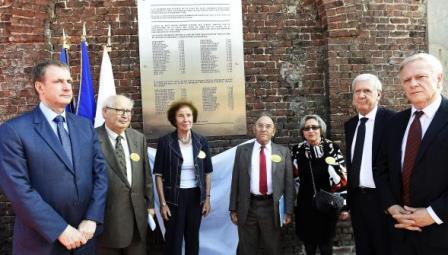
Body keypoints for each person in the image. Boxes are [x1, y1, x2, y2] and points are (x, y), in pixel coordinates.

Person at [0, 60, 108, 255]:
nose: (67, 87)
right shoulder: (13, 131)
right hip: (41, 242)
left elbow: (100, 173)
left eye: (69, 80)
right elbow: (18, 189)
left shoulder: (84, 126)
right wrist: (60, 229)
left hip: (85, 237)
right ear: (39, 87)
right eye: (58, 81)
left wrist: (92, 218)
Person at [375, 53, 448, 254]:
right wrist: (391, 206)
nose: (413, 83)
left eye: (421, 77)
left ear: (439, 78)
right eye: (407, 80)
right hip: (400, 233)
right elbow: (380, 169)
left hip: (442, 233)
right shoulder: (394, 123)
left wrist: (433, 214)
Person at [95, 95, 155, 255]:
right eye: (120, 110)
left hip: (137, 220)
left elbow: (146, 177)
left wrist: (149, 205)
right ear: (105, 112)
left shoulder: (138, 138)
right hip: (107, 222)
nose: (125, 115)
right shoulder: (91, 139)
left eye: (128, 111)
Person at [153, 100, 213, 255]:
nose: (186, 119)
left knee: (193, 239)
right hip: (173, 198)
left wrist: (206, 199)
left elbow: (207, 172)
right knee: (174, 239)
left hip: (195, 197)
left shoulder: (201, 141)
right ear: (174, 119)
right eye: (181, 116)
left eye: (189, 115)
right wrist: (163, 203)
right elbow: (158, 175)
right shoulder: (165, 142)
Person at [344, 74, 395, 255]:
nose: (361, 95)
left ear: (379, 94)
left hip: (383, 201)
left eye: (367, 90)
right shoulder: (350, 125)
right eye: (357, 91)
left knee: (384, 249)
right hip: (358, 199)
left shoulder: (392, 121)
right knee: (363, 248)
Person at [229, 114, 294, 255]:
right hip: (248, 207)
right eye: (260, 125)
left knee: (273, 248)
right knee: (247, 249)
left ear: (274, 131)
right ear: (254, 129)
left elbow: (289, 184)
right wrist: (233, 208)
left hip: (272, 208)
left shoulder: (283, 152)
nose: (264, 129)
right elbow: (236, 180)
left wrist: (288, 210)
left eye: (268, 126)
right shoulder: (242, 151)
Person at [292, 114, 346, 255]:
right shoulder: (297, 150)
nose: (311, 131)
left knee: (325, 246)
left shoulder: (332, 147)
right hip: (305, 205)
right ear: (302, 132)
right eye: (307, 128)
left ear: (321, 129)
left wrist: (344, 206)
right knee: (309, 245)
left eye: (314, 127)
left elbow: (342, 177)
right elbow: (292, 179)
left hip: (327, 205)